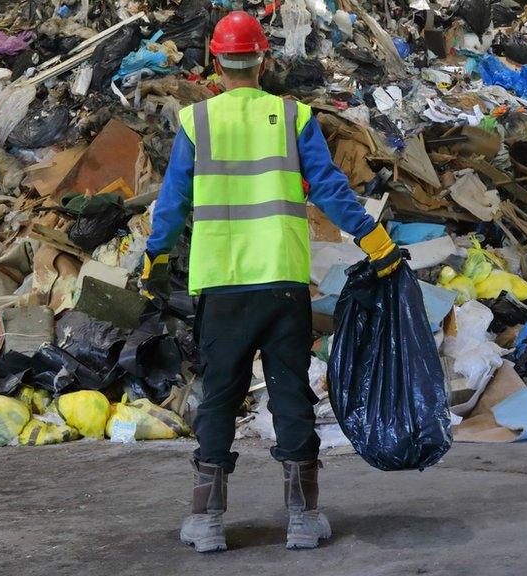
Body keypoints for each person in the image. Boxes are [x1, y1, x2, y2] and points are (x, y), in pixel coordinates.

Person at [139, 11, 401, 553]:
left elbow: (171, 204)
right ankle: (303, 518)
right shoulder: (293, 116)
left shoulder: (197, 122)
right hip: (281, 282)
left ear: (215, 61)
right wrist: (372, 240)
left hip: (221, 283)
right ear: (265, 59)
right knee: (290, 393)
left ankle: (207, 521)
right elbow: (329, 188)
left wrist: (155, 259)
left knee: (219, 397)